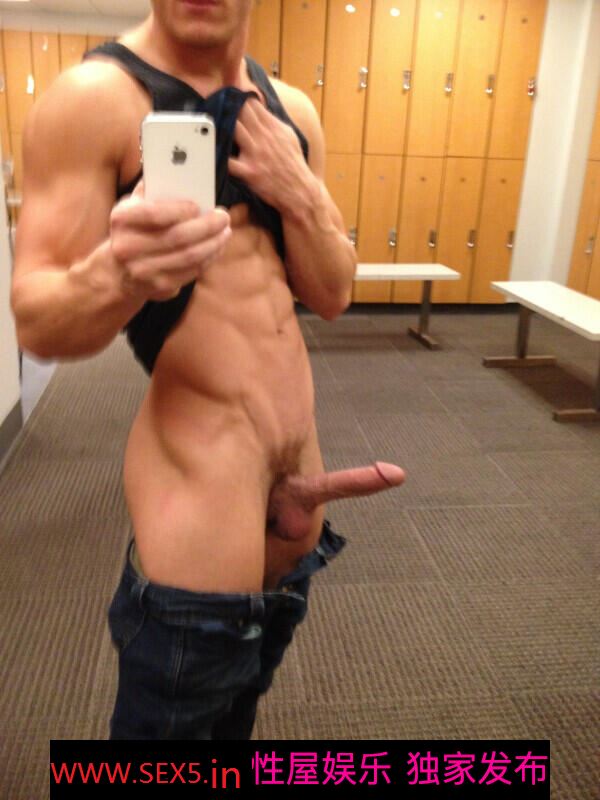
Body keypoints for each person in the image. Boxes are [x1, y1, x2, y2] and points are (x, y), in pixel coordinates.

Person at [10, 0, 405, 739]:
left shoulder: (292, 113)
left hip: (297, 493)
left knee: (232, 728)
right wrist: (118, 273)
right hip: (198, 491)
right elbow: (37, 322)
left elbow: (332, 293)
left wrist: (301, 194)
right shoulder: (94, 100)